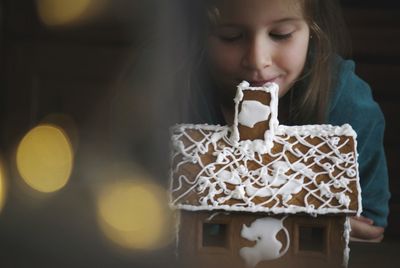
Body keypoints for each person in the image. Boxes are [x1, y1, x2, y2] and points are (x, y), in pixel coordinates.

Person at [169, 0, 390, 242]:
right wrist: (310, 223)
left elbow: (369, 228)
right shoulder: (171, 93)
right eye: (230, 36)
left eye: (280, 34)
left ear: (312, 27)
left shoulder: (349, 103)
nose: (257, 60)